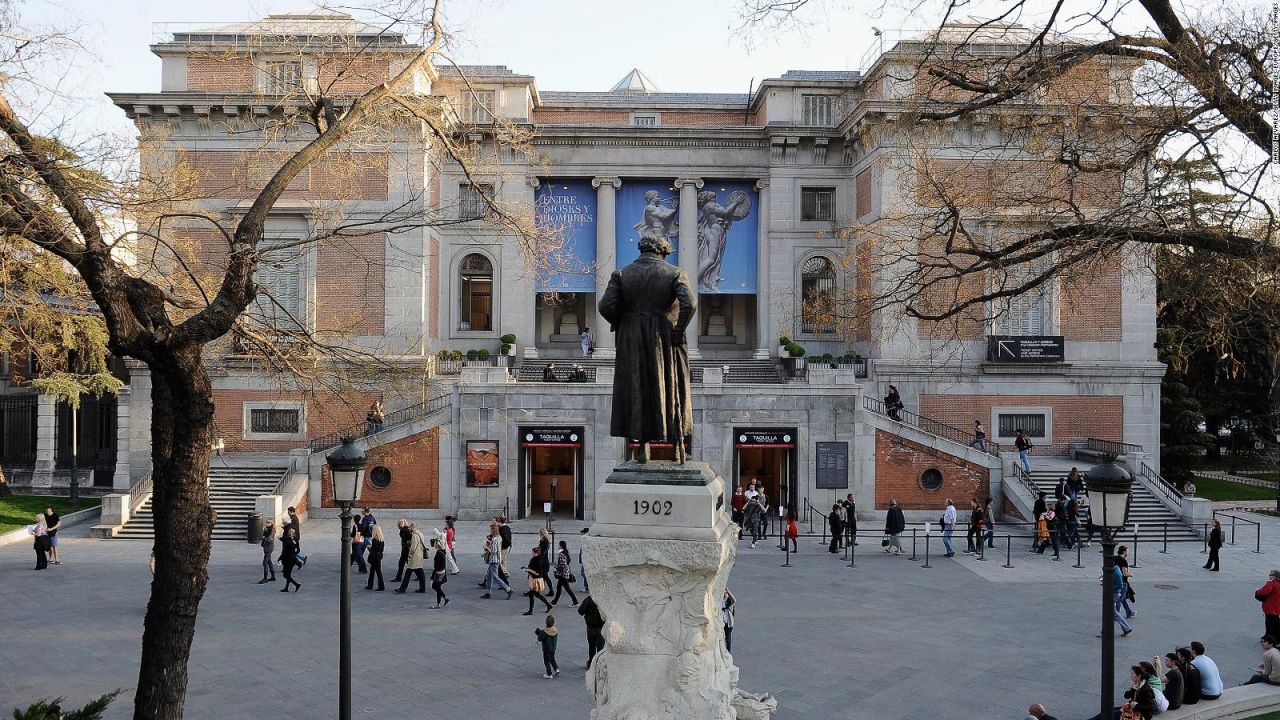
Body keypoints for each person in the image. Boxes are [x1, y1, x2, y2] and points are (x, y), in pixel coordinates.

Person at [598, 234, 696, 464]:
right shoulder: (675, 273)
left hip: (631, 338)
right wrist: (679, 329)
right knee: (672, 386)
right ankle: (678, 447)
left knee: (637, 388)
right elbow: (690, 303)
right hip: (664, 334)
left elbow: (605, 306)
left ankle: (643, 449)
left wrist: (624, 321)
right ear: (662, 250)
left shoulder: (621, 274)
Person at [481, 524, 512, 599]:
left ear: (493, 530)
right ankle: (488, 592)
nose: (490, 531)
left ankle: (508, 590)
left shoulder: (495, 540)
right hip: (495, 560)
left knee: (495, 577)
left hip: (494, 560)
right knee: (488, 576)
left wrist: (487, 548)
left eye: (491, 529)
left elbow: (494, 551)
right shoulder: (498, 538)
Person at [394, 523, 427, 594]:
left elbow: (413, 548)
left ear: (412, 527)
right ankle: (422, 588)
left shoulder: (414, 536)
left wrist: (409, 556)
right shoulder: (420, 534)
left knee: (408, 573)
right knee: (420, 572)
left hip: (414, 557)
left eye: (410, 528)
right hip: (419, 555)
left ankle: (402, 589)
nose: (409, 529)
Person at [522, 545, 554, 615]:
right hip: (534, 578)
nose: (532, 553)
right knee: (537, 595)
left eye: (533, 552)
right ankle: (548, 605)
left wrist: (528, 569)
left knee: (532, 595)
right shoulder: (536, 559)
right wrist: (527, 569)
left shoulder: (538, 561)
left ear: (536, 553)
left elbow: (537, 573)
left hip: (535, 579)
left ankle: (531, 610)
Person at [579, 594, 606, 666]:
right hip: (601, 627)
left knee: (592, 646)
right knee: (600, 648)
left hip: (591, 627)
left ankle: (591, 662)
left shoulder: (589, 599)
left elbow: (580, 611)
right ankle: (599, 664)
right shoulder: (604, 600)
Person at [551, 540, 579, 607]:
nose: (558, 546)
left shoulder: (561, 554)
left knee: (567, 588)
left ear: (560, 546)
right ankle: (554, 601)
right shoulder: (566, 552)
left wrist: (556, 567)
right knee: (559, 587)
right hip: (565, 573)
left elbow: (562, 565)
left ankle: (575, 602)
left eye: (558, 545)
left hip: (562, 574)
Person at [1256, 569, 1280, 639]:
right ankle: (1273, 636)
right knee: (1275, 622)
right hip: (1277, 606)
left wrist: (1257, 591)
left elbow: (1264, 591)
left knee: (1270, 622)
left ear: (1275, 577)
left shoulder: (1272, 583)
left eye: (1270, 575)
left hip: (1270, 606)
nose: (1269, 576)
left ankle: (1269, 637)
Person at [536, 615, 560, 679]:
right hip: (553, 648)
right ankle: (556, 669)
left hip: (546, 649)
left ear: (546, 622)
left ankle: (549, 674)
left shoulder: (544, 631)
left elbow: (540, 638)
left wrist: (538, 633)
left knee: (546, 661)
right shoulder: (555, 630)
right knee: (552, 658)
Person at [429, 536, 449, 608]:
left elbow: (436, 566)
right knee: (438, 587)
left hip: (439, 572)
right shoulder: (443, 552)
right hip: (442, 571)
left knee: (435, 586)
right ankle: (439, 603)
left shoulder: (438, 553)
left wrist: (432, 576)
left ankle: (444, 597)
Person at [279, 527, 301, 592]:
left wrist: (280, 558)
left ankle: (296, 584)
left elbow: (284, 551)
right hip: (293, 560)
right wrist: (293, 554)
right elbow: (298, 550)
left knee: (285, 575)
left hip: (288, 560)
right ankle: (286, 588)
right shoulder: (295, 540)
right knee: (288, 574)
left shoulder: (287, 541)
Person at [365, 525, 386, 591]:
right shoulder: (381, 539)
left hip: (374, 557)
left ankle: (378, 586)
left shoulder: (375, 540)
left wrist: (369, 548)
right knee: (374, 571)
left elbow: (373, 550)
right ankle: (371, 585)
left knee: (376, 572)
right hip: (379, 556)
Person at [392, 518, 411, 583]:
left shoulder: (405, 530)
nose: (401, 523)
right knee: (408, 563)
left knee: (402, 563)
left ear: (405, 522)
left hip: (406, 549)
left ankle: (398, 577)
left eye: (402, 521)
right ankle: (419, 575)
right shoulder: (403, 529)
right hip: (405, 548)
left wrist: (407, 544)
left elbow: (411, 537)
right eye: (400, 522)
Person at [721, 587, 736, 652]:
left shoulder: (729, 601)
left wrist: (728, 590)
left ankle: (728, 651)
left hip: (729, 624)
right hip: (722, 623)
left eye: (726, 593)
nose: (725, 594)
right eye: (724, 593)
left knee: (728, 639)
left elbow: (734, 600)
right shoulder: (721, 601)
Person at [578, 527, 590, 592]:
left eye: (582, 532)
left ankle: (587, 587)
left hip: (585, 560)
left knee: (584, 573)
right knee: (584, 573)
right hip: (584, 560)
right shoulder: (585, 540)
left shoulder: (586, 541)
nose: (582, 534)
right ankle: (587, 587)